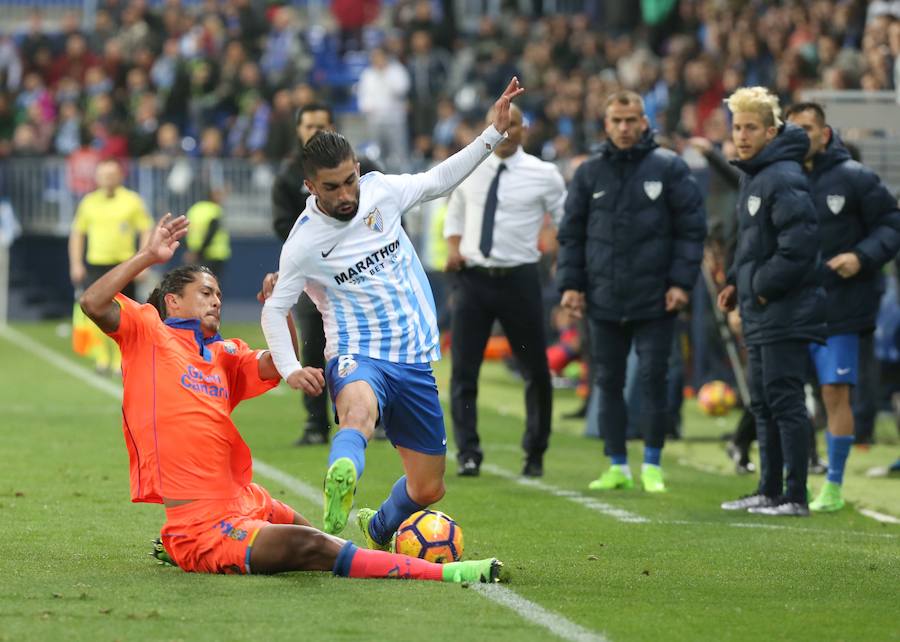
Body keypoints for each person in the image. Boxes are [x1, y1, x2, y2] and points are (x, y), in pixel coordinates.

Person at [78, 213, 503, 582]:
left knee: (325, 542)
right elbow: (93, 302)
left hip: (246, 497)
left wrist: (279, 308)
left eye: (219, 295)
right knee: (313, 547)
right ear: (172, 300)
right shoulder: (148, 330)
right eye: (206, 293)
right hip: (201, 524)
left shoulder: (224, 354)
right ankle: (445, 572)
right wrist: (148, 257)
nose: (216, 302)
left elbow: (281, 363)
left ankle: (390, 554)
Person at [260, 78, 524, 550]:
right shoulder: (302, 243)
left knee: (428, 489)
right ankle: (342, 471)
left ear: (358, 169)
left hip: (415, 359)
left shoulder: (382, 192)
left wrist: (492, 134)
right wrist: (291, 368)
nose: (344, 195)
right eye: (330, 188)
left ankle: (379, 526)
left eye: (348, 181)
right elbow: (275, 309)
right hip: (357, 352)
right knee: (358, 413)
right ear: (309, 186)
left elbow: (439, 179)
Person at [557, 90, 706, 494]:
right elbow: (571, 235)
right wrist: (571, 285)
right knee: (607, 381)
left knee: (655, 379)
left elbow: (691, 232)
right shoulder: (589, 173)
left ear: (645, 122)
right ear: (605, 125)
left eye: (631, 120)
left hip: (656, 298)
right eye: (617, 121)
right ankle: (617, 464)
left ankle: (653, 463)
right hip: (603, 297)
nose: (624, 128)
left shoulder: (669, 168)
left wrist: (680, 283)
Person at [785, 102, 900, 512]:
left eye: (809, 128)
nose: (802, 136)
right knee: (783, 396)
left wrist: (861, 256)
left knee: (835, 393)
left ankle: (832, 486)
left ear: (825, 133)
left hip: (841, 306)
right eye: (794, 129)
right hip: (790, 308)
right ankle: (787, 482)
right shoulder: (781, 179)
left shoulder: (854, 177)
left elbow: (891, 224)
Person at [718, 87, 826, 517]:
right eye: (737, 127)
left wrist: (758, 287)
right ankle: (768, 488)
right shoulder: (756, 174)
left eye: (750, 128)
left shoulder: (783, 176)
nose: (741, 136)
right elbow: (752, 243)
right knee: (762, 401)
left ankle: (795, 495)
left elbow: (798, 247)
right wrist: (732, 282)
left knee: (784, 400)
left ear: (772, 131)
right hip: (763, 306)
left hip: (782, 307)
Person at [443, 103, 565, 478]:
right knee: (464, 369)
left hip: (519, 280)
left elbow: (565, 222)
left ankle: (536, 451)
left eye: (514, 125)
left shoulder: (544, 174)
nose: (507, 131)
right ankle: (468, 451)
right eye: (502, 124)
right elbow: (456, 213)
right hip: (475, 280)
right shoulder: (470, 166)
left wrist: (563, 260)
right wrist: (453, 247)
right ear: (491, 126)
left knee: (535, 370)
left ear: (524, 130)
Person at [272, 102, 381, 446]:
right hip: (313, 279)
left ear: (332, 126)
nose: (315, 131)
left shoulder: (363, 169)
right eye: (308, 126)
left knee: (371, 345)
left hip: (361, 277)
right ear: (298, 131)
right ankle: (316, 423)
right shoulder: (289, 177)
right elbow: (282, 225)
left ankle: (376, 415)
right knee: (313, 347)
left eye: (321, 125)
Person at [68, 158, 153, 374]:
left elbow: (146, 229)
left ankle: (120, 358)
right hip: (97, 264)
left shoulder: (132, 200)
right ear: (97, 178)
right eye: (103, 174)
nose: (107, 178)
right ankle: (102, 357)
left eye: (111, 174)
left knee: (125, 314)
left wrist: (143, 262)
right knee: (94, 312)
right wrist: (76, 263)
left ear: (120, 176)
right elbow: (78, 233)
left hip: (124, 265)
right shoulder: (88, 202)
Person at [184, 187, 231, 279]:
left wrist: (192, 252)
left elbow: (186, 231)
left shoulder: (194, 209)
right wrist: (199, 252)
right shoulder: (214, 210)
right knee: (211, 285)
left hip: (196, 254)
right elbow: (211, 233)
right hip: (215, 254)